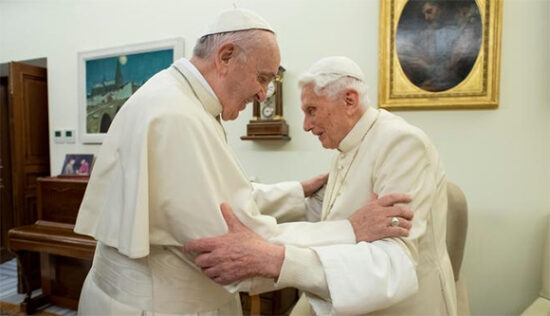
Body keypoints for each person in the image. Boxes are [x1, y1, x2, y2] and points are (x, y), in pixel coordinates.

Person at [73, 9, 413, 316]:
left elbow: (220, 198)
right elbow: (238, 251)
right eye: (262, 78)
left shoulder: (173, 97)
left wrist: (297, 191)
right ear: (226, 56)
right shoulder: (177, 116)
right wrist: (350, 230)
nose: (263, 94)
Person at [185, 56, 457, 315]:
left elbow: (391, 263)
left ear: (349, 100)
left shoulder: (402, 143)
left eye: (311, 111)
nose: (305, 125)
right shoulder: (347, 147)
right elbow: (329, 219)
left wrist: (277, 259)